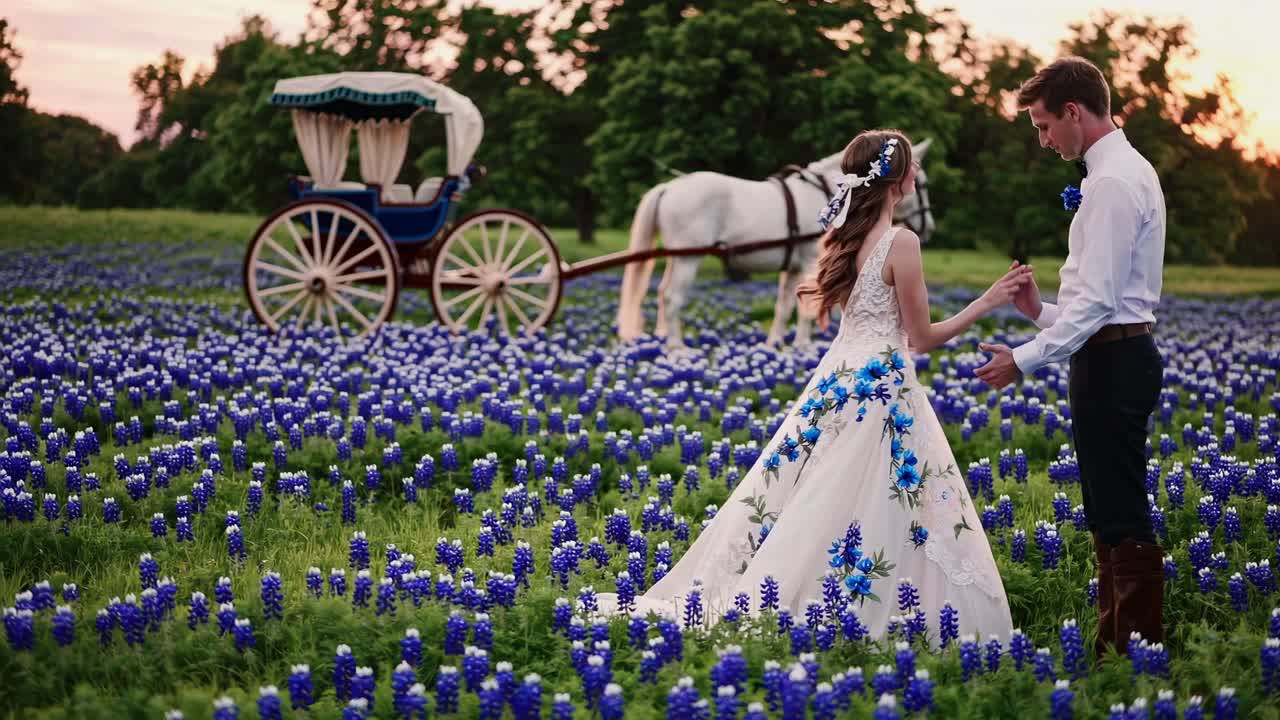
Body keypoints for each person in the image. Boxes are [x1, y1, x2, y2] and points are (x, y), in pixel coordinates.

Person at [597, 129, 1027, 643]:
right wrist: (988, 300)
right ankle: (868, 607)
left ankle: (816, 597)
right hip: (883, 385)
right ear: (897, 180)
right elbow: (923, 338)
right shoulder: (901, 242)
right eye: (912, 168)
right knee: (878, 498)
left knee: (819, 492)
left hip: (839, 378)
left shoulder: (843, 234)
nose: (916, 177)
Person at [974, 56, 1167, 660]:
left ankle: (1132, 655)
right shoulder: (1117, 172)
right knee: (1110, 511)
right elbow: (1097, 309)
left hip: (1113, 363)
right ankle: (1117, 647)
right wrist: (1039, 311)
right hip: (1111, 353)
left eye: (1042, 124)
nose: (1042, 138)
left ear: (1074, 112)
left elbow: (1101, 309)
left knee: (1121, 512)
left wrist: (1023, 358)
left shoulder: (1111, 183)